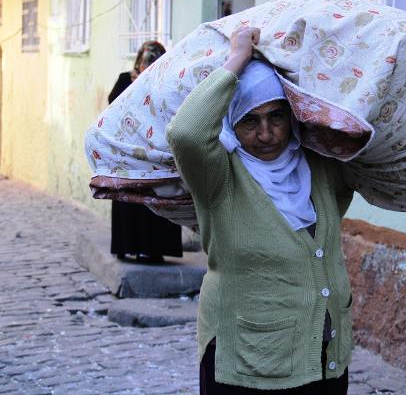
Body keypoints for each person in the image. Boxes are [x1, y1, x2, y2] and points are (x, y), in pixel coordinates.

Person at [167, 26, 354, 394]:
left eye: (277, 117)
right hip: (247, 363)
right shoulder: (218, 175)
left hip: (323, 358)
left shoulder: (317, 165)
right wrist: (237, 58)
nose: (266, 134)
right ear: (231, 123)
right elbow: (186, 132)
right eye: (250, 120)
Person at [109, 41, 183, 263]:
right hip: (129, 151)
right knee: (130, 200)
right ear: (139, 63)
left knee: (156, 200)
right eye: (145, 65)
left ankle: (153, 249)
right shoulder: (125, 80)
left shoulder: (168, 82)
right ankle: (126, 246)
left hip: (157, 151)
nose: (147, 70)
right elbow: (113, 108)